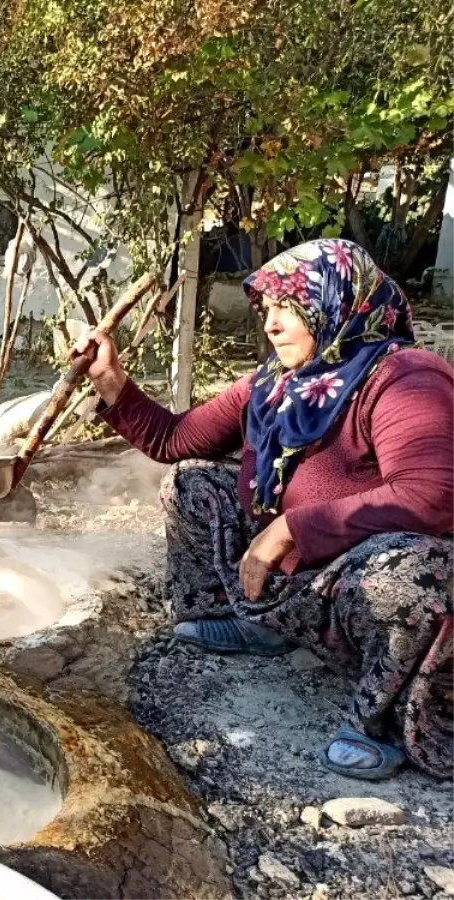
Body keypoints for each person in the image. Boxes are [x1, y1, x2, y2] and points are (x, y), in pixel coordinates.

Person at [79, 238, 454, 782]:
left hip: (359, 588)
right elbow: (175, 439)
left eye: (290, 309)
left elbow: (432, 495)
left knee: (419, 574)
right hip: (294, 583)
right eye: (269, 311)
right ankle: (259, 624)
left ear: (337, 304)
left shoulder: (405, 378)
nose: (271, 326)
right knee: (192, 483)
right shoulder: (275, 383)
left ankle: (382, 719)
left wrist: (291, 528)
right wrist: (111, 382)